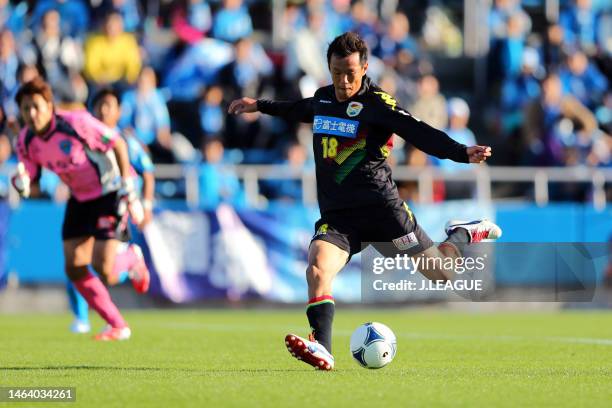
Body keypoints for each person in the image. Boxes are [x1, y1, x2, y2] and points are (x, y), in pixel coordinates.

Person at [228, 32, 502, 370]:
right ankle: (323, 348)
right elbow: (299, 109)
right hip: (340, 216)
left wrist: (461, 152)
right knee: (316, 267)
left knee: (441, 273)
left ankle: (462, 233)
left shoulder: (377, 104)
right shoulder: (324, 98)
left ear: (365, 68)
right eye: (336, 72)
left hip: (383, 210)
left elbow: (419, 132)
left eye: (351, 74)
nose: (343, 81)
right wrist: (259, 105)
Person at [10, 77, 150, 341]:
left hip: (108, 191)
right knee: (74, 267)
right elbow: (29, 174)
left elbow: (117, 142)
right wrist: (21, 182)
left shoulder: (76, 123)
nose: (31, 114)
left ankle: (132, 257)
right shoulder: (25, 140)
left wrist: (128, 186)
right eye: (25, 108)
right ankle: (118, 325)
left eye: (36, 107)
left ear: (49, 106)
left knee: (106, 269)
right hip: (79, 197)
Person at [65, 87, 156, 334]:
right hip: (87, 203)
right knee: (77, 261)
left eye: (109, 105)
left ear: (119, 111)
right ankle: (82, 319)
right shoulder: (84, 137)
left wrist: (145, 205)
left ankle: (131, 260)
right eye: (100, 105)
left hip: (116, 205)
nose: (104, 110)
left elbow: (147, 172)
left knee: (105, 270)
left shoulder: (125, 140)